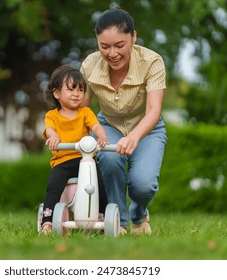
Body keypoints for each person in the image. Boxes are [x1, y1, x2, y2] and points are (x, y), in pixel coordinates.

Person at [80, 7, 167, 236]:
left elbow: (154, 110)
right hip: (107, 125)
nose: (112, 53)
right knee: (108, 158)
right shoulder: (89, 65)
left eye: (120, 45)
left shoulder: (152, 62)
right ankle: (118, 222)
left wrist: (134, 137)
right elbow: (81, 109)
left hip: (148, 128)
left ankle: (139, 216)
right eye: (104, 46)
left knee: (143, 184)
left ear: (134, 37)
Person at [40, 64, 108, 235]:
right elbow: (49, 129)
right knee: (53, 187)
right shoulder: (52, 115)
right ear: (56, 93)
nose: (77, 94)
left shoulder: (85, 112)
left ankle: (103, 215)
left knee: (99, 184)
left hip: (85, 160)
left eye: (81, 90)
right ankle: (47, 221)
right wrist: (53, 137)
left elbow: (95, 125)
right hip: (62, 161)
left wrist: (101, 136)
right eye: (71, 89)